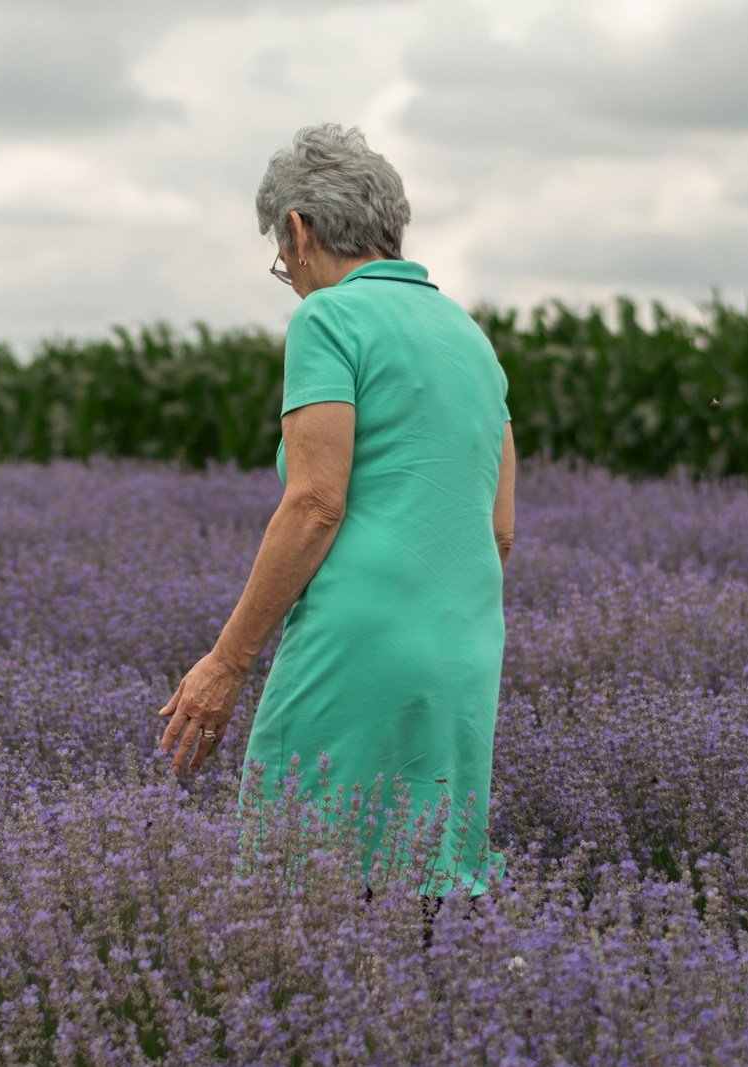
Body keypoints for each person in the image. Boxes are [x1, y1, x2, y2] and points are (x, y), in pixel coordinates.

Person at [155, 122, 514, 925]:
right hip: (464, 652)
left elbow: (315, 503)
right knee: (431, 897)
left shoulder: (329, 321)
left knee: (300, 890)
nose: (290, 279)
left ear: (300, 231)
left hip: (356, 647)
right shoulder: (471, 339)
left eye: (283, 261)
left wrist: (226, 663)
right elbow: (498, 530)